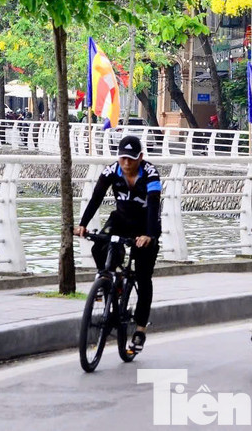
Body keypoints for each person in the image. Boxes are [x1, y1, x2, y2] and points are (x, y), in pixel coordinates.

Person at [75, 135, 161, 352]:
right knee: (99, 246)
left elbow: (153, 205)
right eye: (123, 158)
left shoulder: (150, 173)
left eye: (131, 158)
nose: (126, 163)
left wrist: (149, 235)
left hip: (145, 225)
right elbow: (96, 197)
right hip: (121, 220)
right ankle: (111, 280)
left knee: (143, 276)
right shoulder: (111, 170)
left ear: (140, 157)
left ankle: (140, 329)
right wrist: (83, 224)